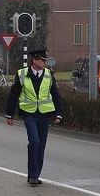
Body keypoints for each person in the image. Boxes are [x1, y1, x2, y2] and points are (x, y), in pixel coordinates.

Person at [5, 48, 63, 186]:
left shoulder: (49, 75)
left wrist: (58, 113)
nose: (44, 63)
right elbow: (13, 95)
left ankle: (35, 175)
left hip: (44, 114)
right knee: (35, 142)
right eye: (42, 60)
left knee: (41, 146)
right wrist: (9, 114)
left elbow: (56, 95)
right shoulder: (22, 74)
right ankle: (32, 175)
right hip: (29, 113)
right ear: (34, 60)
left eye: (44, 60)